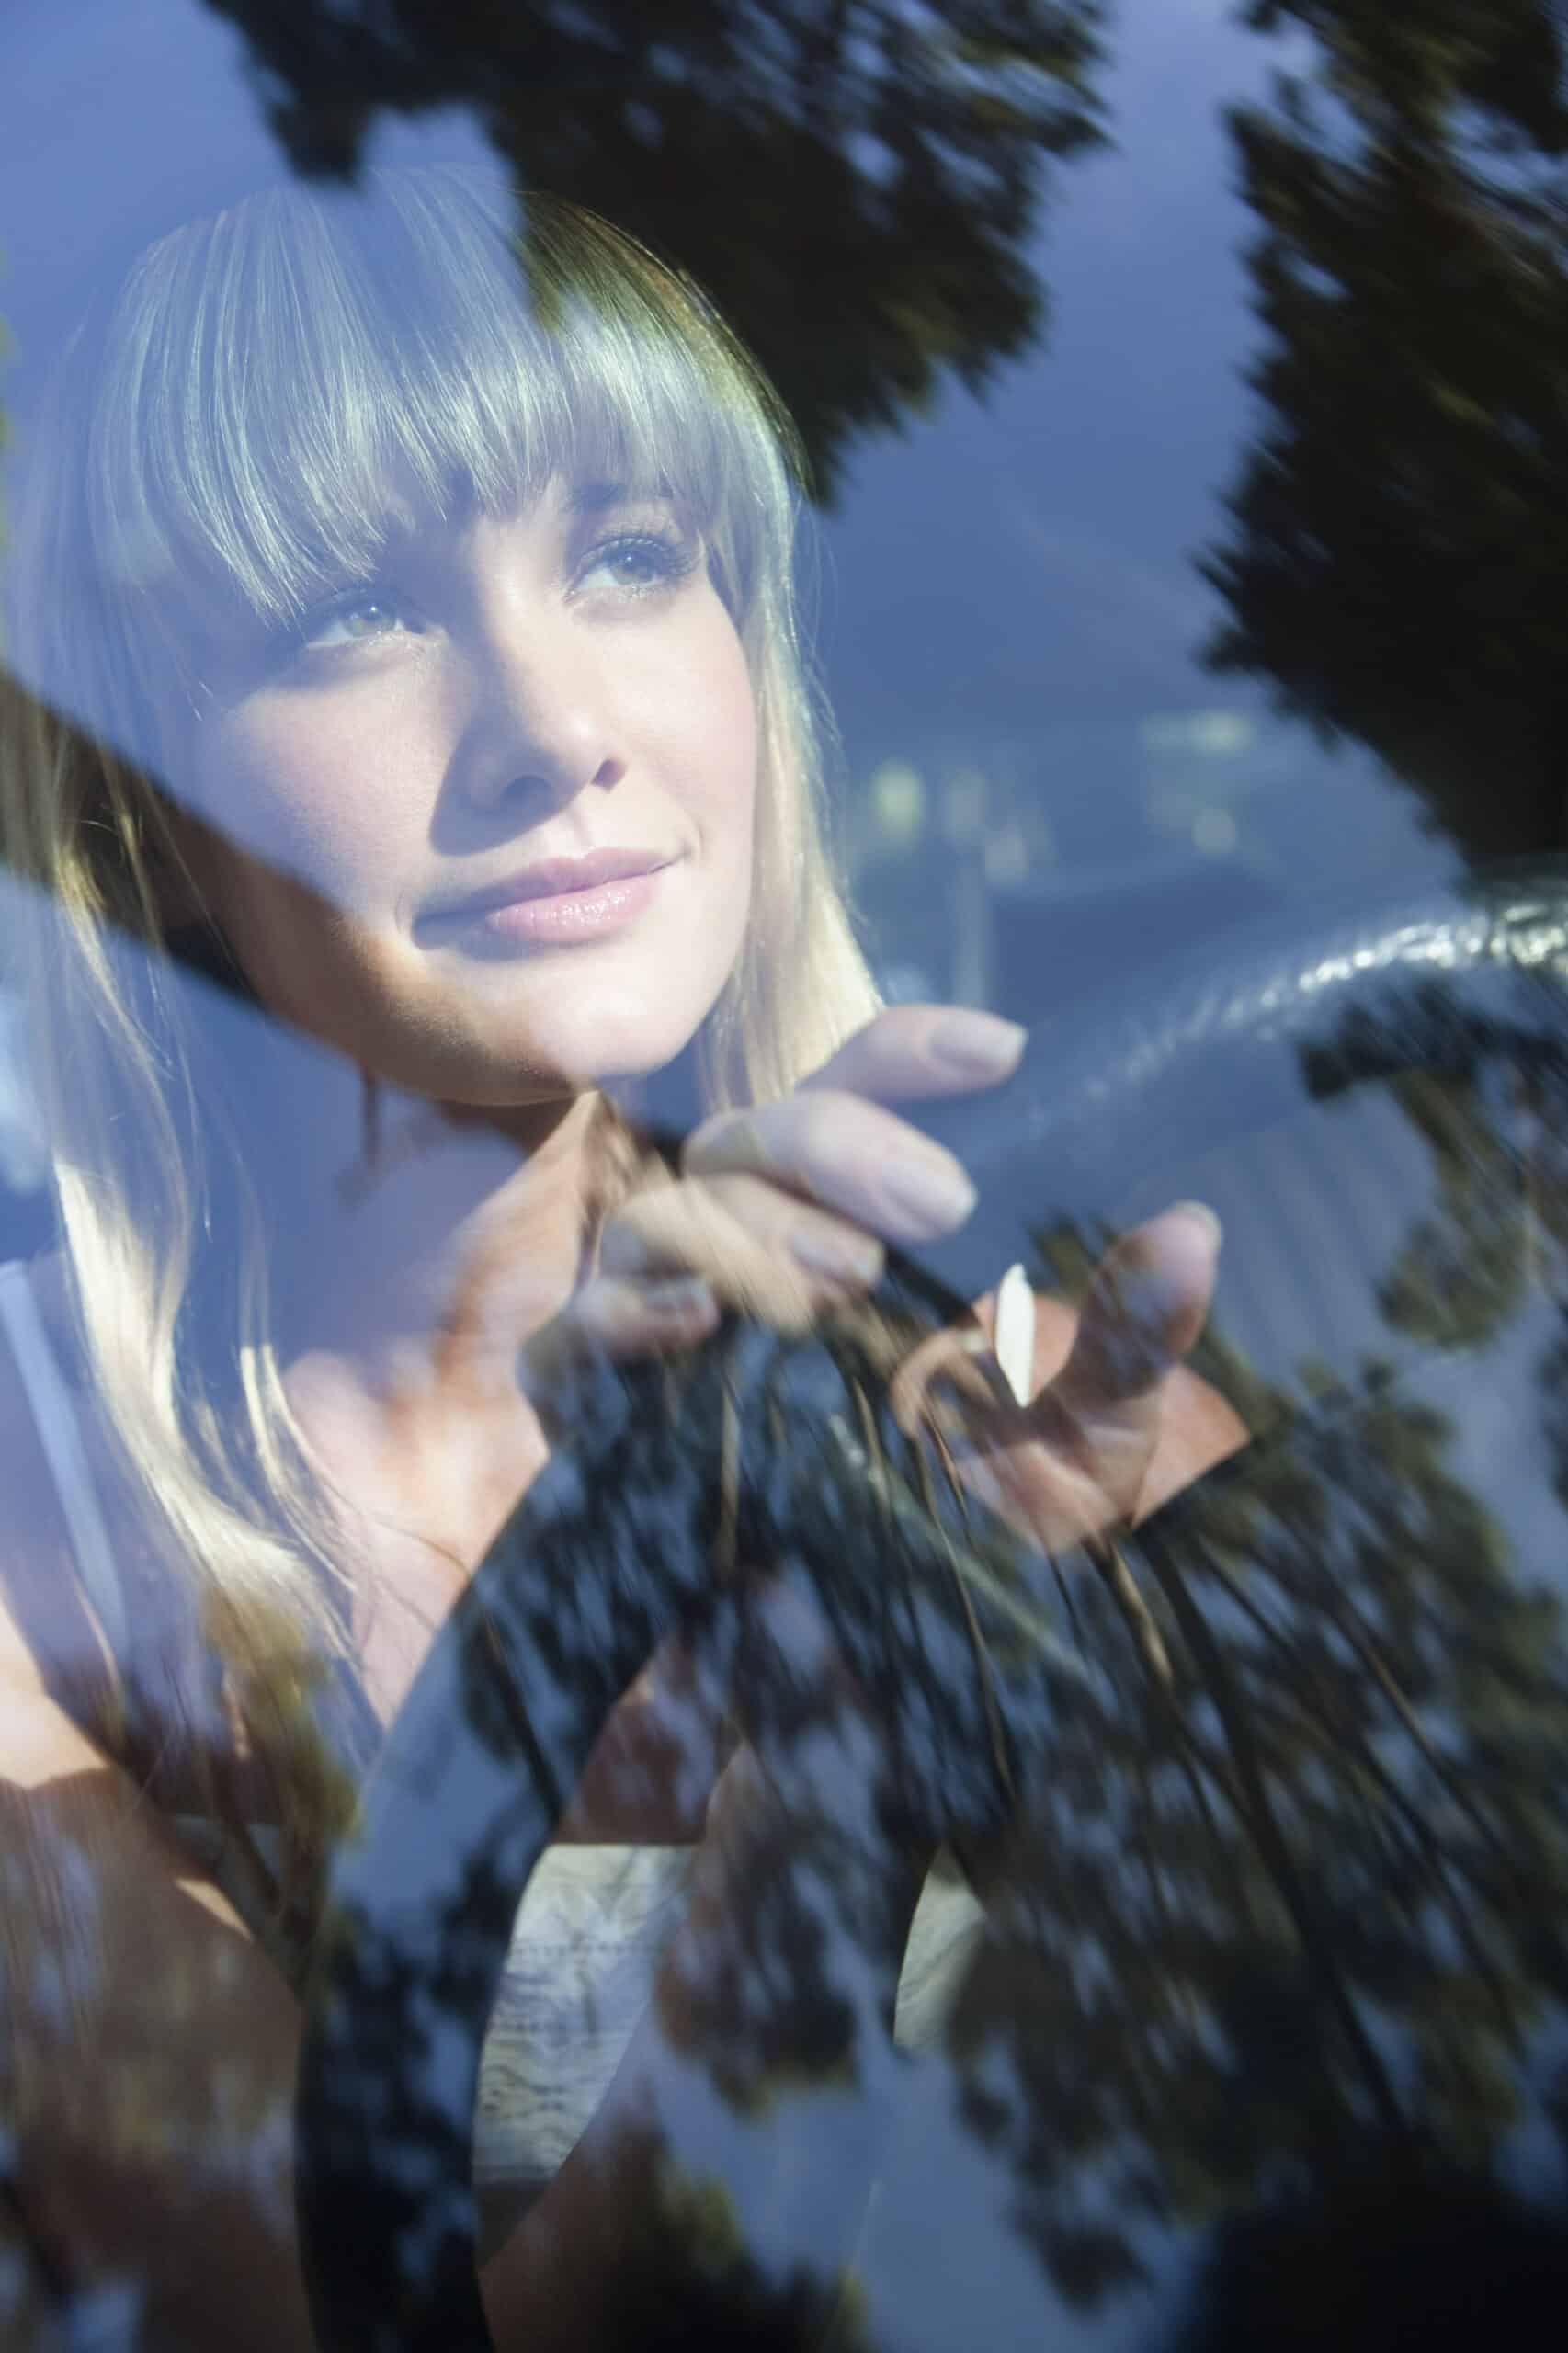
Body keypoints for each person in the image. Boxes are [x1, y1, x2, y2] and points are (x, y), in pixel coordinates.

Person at [0, 166, 1240, 2347]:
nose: (552, 718)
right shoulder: (39, 1554)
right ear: (147, 822)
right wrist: (843, 1748)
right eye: (350, 614)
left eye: (629, 557)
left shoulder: (1059, 1385)